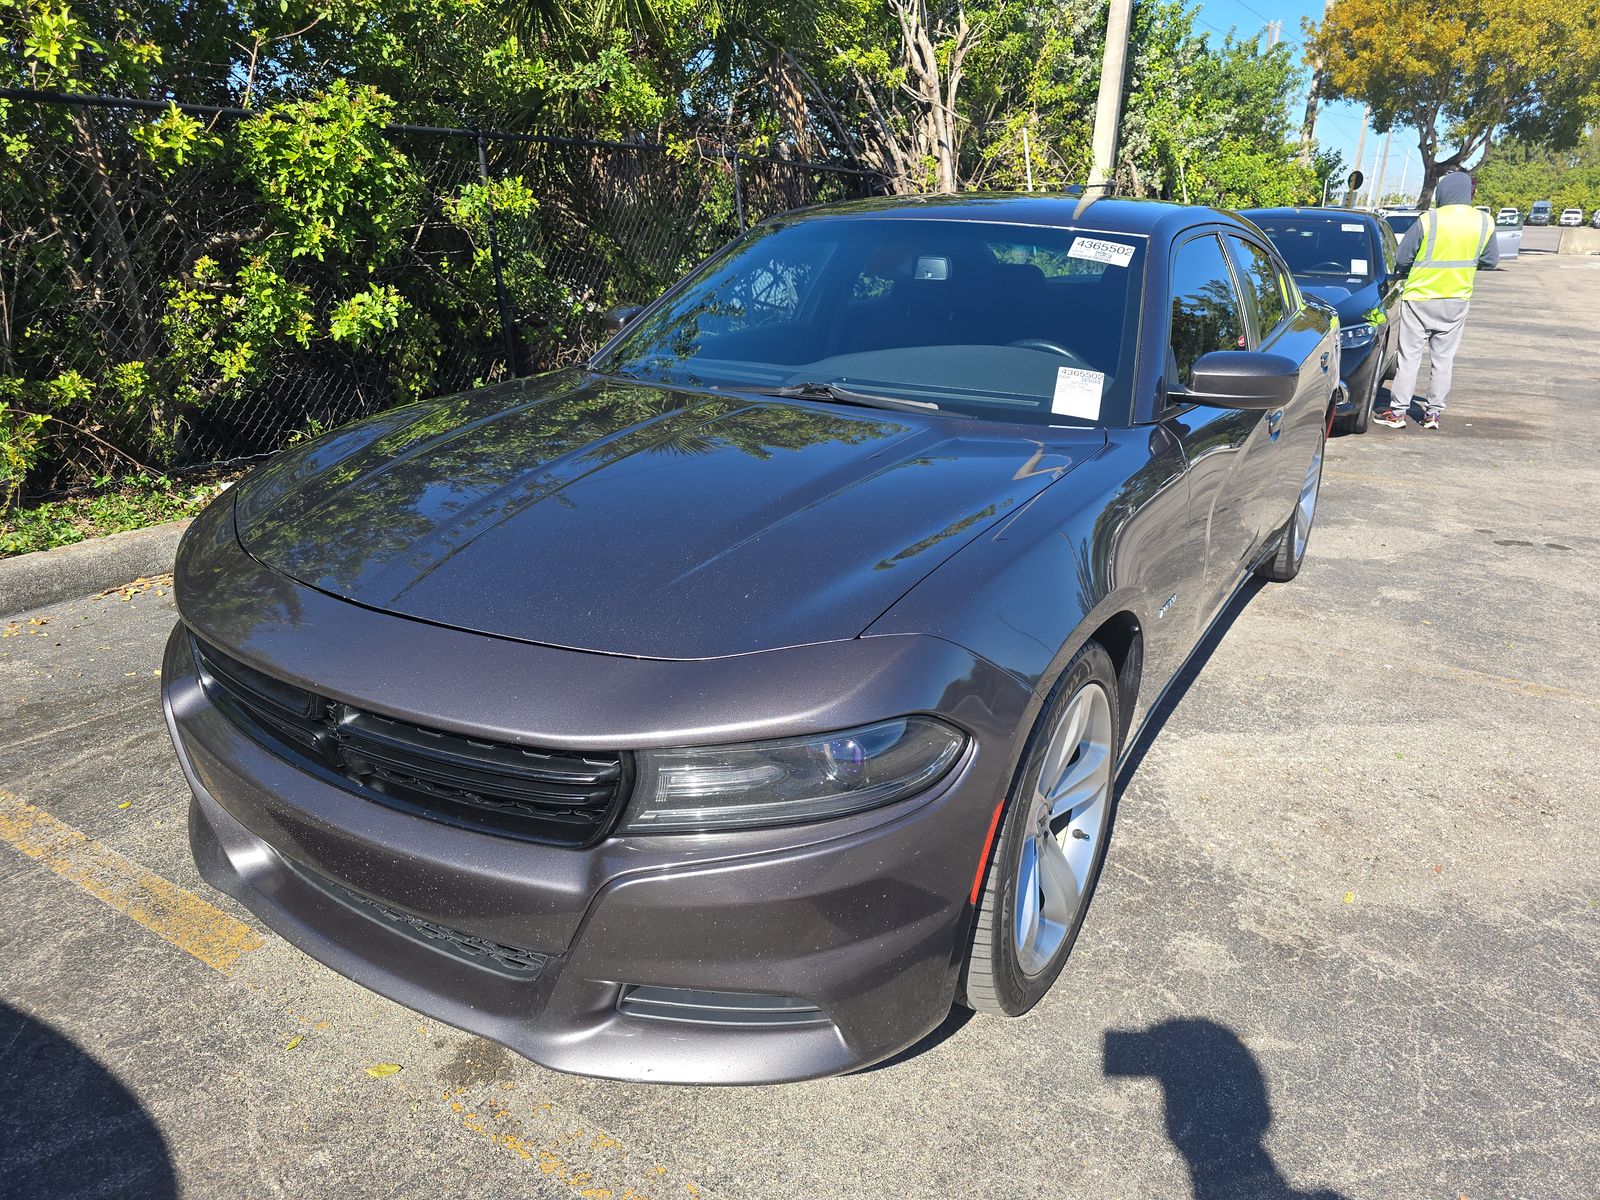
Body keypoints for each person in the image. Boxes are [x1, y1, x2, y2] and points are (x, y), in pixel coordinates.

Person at [1374, 170, 1498, 431]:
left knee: (1409, 357)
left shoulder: (1430, 220)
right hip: (1456, 299)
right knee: (1443, 359)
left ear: (1443, 192)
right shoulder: (1484, 222)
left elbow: (1403, 257)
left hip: (1419, 297)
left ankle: (1397, 413)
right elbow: (1491, 261)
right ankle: (1432, 414)